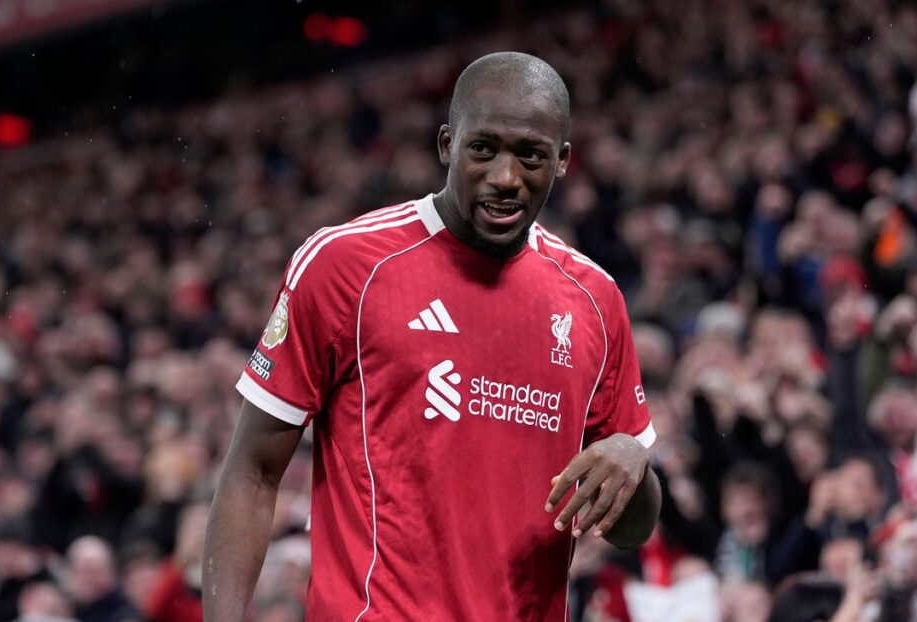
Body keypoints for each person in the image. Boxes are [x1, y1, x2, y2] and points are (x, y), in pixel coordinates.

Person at [203, 51, 662, 620]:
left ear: (563, 160)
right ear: (447, 145)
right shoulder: (345, 265)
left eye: (531, 155)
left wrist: (630, 456)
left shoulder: (595, 301)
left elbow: (632, 528)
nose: (504, 177)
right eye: (483, 148)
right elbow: (253, 470)